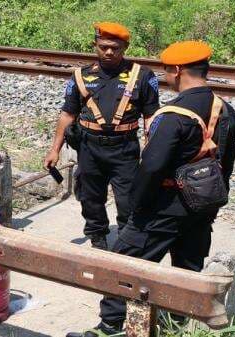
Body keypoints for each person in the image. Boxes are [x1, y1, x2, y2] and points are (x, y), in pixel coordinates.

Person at [67, 40, 235, 337]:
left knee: (123, 268)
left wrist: (137, 208)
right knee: (187, 270)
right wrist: (211, 205)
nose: (166, 78)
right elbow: (226, 164)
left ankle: (110, 327)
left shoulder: (173, 115)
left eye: (167, 72)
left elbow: (151, 167)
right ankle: (176, 323)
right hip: (201, 207)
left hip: (162, 209)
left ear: (177, 70)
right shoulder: (226, 111)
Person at [43, 22, 160, 249]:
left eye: (115, 47)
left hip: (125, 149)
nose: (109, 52)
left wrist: (152, 151)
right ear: (95, 45)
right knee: (90, 197)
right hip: (89, 147)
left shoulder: (142, 76)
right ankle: (98, 238)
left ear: (125, 47)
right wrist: (54, 149)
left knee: (129, 199)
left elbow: (151, 117)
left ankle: (127, 241)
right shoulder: (81, 76)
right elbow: (67, 114)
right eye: (103, 46)